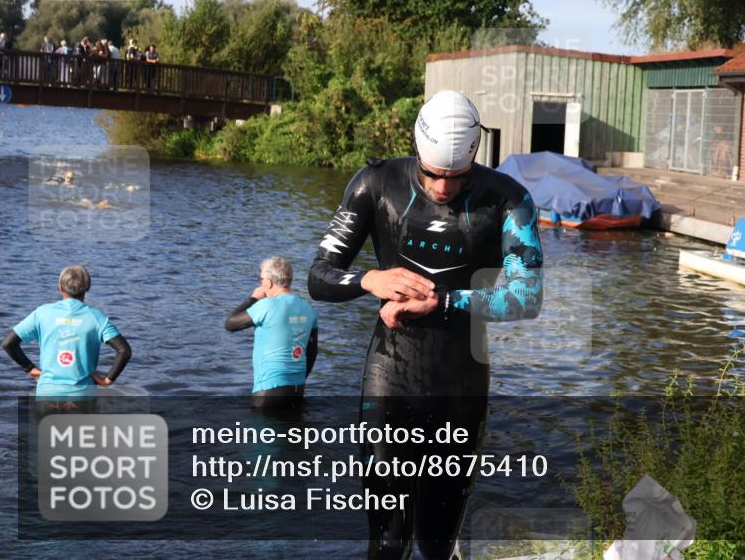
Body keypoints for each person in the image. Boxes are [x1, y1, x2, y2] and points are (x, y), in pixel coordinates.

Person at [308, 90, 543, 559]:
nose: (441, 189)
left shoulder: (509, 200)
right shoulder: (374, 184)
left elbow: (527, 297)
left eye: (455, 178)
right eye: (432, 173)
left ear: (474, 155)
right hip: (390, 376)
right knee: (388, 540)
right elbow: (319, 276)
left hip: (461, 383)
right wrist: (371, 279)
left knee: (437, 542)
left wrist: (443, 303)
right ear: (417, 150)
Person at [1, 265, 132, 409]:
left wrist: (30, 369)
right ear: (87, 288)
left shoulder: (42, 313)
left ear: (60, 288)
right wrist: (108, 380)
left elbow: (8, 343)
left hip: (47, 394)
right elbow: (124, 350)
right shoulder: (96, 317)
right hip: (82, 396)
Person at [225, 257, 318, 410]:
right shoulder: (308, 308)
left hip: (268, 391)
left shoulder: (265, 305)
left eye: (260, 279)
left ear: (268, 282)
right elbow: (312, 351)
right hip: (297, 389)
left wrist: (253, 298)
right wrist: (298, 378)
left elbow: (231, 323)